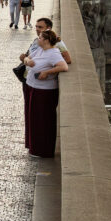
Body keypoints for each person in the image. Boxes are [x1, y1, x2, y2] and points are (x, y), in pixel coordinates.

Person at [22, 29, 69, 157]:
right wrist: (28, 61)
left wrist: (47, 72)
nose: (38, 38)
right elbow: (26, 58)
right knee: (34, 120)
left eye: (41, 37)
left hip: (44, 91)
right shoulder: (40, 50)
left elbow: (64, 66)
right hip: (33, 87)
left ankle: (43, 150)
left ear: (47, 40)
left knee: (42, 121)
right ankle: (34, 148)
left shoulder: (53, 53)